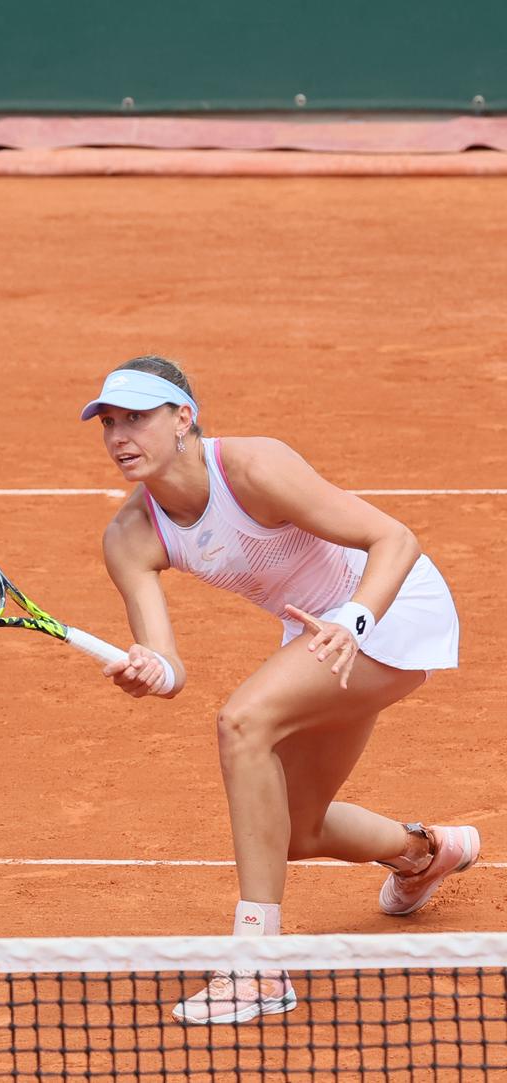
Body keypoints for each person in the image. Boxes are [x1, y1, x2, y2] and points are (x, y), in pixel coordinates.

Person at [83, 356, 472, 1024]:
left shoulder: (253, 468)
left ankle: (257, 968)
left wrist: (355, 621)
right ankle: (425, 853)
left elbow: (394, 538)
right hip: (319, 641)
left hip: (391, 607)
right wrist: (147, 673)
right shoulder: (130, 536)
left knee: (243, 724)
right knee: (294, 830)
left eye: (138, 416)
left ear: (184, 418)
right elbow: (169, 669)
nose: (121, 435)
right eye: (110, 421)